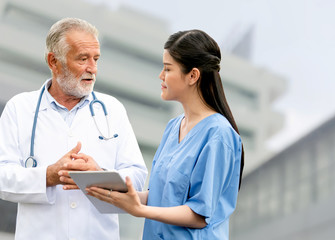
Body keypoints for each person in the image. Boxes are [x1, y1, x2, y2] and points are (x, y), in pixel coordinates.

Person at [86, 29, 245, 239]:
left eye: (167, 69)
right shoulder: (173, 128)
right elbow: (160, 198)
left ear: (193, 75)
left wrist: (140, 210)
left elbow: (199, 214)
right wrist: (104, 184)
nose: (161, 76)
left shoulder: (219, 135)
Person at [0, 18, 147, 240]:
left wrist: (100, 175)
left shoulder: (113, 110)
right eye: (83, 59)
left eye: (96, 59)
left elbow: (136, 177)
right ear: (53, 61)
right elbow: (2, 177)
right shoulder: (19, 108)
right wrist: (48, 176)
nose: (93, 69)